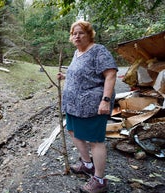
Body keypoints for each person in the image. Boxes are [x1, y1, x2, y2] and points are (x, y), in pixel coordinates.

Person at [57, 20, 118, 193]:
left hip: (92, 105)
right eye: (74, 33)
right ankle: (87, 164)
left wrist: (105, 100)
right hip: (74, 105)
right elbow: (81, 73)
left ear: (89, 35)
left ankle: (99, 179)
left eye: (81, 33)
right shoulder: (77, 53)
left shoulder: (98, 50)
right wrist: (66, 76)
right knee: (72, 130)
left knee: (95, 140)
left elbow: (111, 74)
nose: (76, 36)